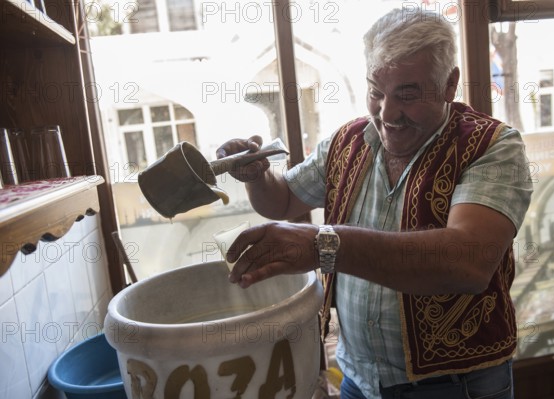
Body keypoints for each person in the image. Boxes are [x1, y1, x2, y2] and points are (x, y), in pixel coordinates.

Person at [217, 7, 533, 399]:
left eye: (408, 94)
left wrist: (323, 245)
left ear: (449, 85)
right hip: (359, 380)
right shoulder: (347, 142)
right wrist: (258, 175)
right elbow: (281, 201)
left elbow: (466, 262)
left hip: (456, 386)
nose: (387, 114)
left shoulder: (493, 147)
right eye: (376, 92)